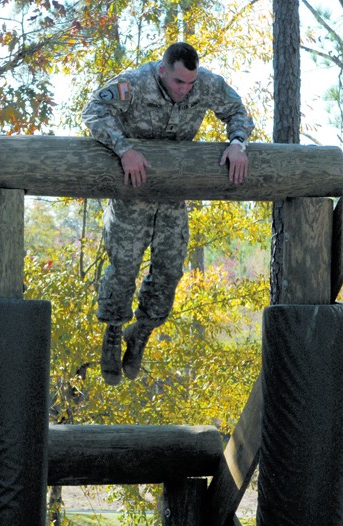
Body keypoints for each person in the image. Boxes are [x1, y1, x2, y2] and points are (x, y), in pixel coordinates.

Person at [82, 42, 254, 385]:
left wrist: (237, 143)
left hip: (173, 196)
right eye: (179, 82)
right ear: (163, 71)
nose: (185, 90)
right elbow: (92, 111)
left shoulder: (206, 83)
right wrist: (123, 149)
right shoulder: (135, 82)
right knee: (123, 270)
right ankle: (114, 332)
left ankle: (140, 332)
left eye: (189, 83)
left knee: (169, 273)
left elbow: (238, 112)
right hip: (133, 192)